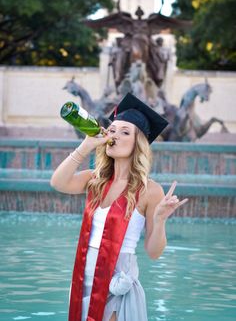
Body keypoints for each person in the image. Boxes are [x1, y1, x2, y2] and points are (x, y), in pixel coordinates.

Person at [50, 92, 189, 321]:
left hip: (117, 281)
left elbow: (154, 253)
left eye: (125, 132)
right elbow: (58, 182)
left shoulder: (149, 190)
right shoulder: (95, 180)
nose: (114, 135)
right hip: (84, 276)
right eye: (112, 129)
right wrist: (86, 146)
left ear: (138, 143)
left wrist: (160, 219)